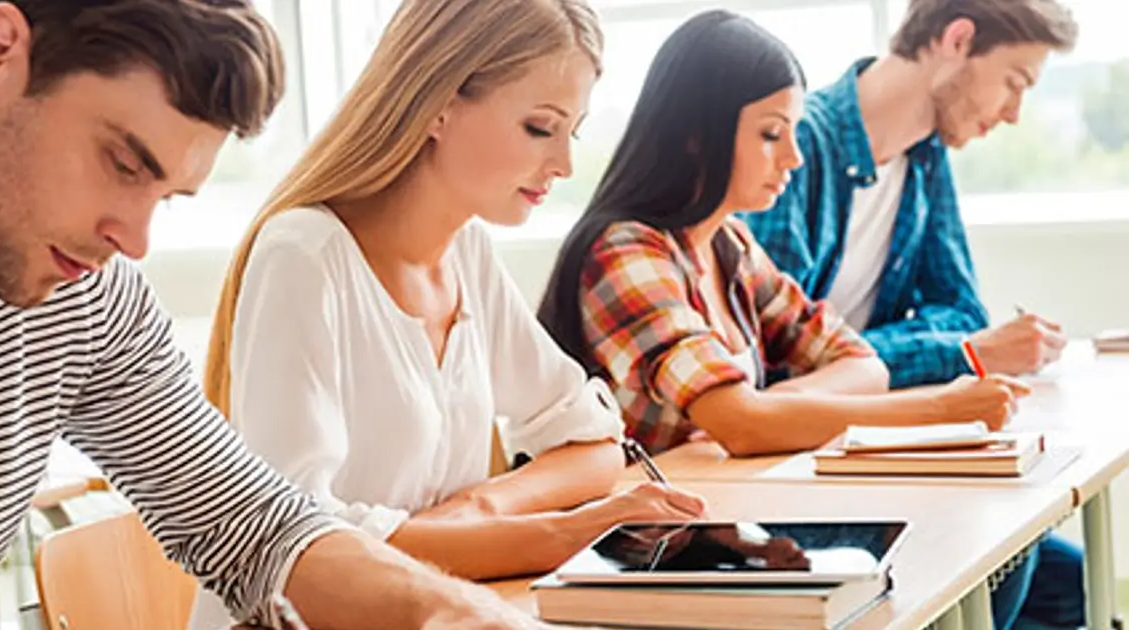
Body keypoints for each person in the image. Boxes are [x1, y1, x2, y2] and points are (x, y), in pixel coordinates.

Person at [0, 1, 576, 628]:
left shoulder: (86, 298)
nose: (134, 240)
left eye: (168, 197)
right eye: (122, 164)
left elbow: (251, 526)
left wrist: (458, 612)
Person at [190, 0, 707, 626]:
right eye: (540, 128)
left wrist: (482, 509)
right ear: (438, 103)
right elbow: (302, 549)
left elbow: (593, 440)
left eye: (572, 133)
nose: (565, 165)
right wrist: (557, 533)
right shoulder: (303, 256)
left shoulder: (465, 252)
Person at [537, 9, 1026, 460]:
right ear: (696, 137)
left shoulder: (731, 246)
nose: (794, 157)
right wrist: (938, 411)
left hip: (727, 513)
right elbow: (742, 427)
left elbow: (865, 364)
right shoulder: (625, 253)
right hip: (641, 544)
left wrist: (769, 407)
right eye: (772, 134)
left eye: (793, 133)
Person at [741, 1, 1084, 628]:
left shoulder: (924, 157)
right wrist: (960, 356)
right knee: (999, 559)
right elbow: (776, 364)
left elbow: (961, 310)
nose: (1013, 114)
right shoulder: (796, 150)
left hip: (873, 436)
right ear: (957, 39)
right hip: (791, 462)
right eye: (1015, 82)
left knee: (1066, 581)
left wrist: (950, 345)